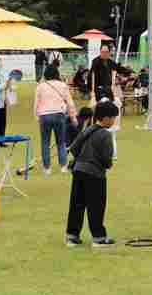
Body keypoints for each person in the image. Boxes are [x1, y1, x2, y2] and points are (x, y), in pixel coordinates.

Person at [65, 100, 118, 247]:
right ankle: (99, 238)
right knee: (96, 206)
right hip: (95, 174)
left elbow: (74, 149)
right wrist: (108, 165)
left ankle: (72, 236)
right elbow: (107, 158)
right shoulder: (105, 135)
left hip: (78, 171)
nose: (114, 121)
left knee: (77, 204)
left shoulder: (87, 130)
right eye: (113, 118)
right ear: (106, 118)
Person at [34, 65, 77, 175]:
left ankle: (47, 168)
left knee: (45, 142)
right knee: (61, 142)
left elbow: (36, 103)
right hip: (59, 114)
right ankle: (63, 166)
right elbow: (70, 102)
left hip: (44, 115)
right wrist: (73, 117)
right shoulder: (63, 85)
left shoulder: (40, 86)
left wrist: (37, 116)